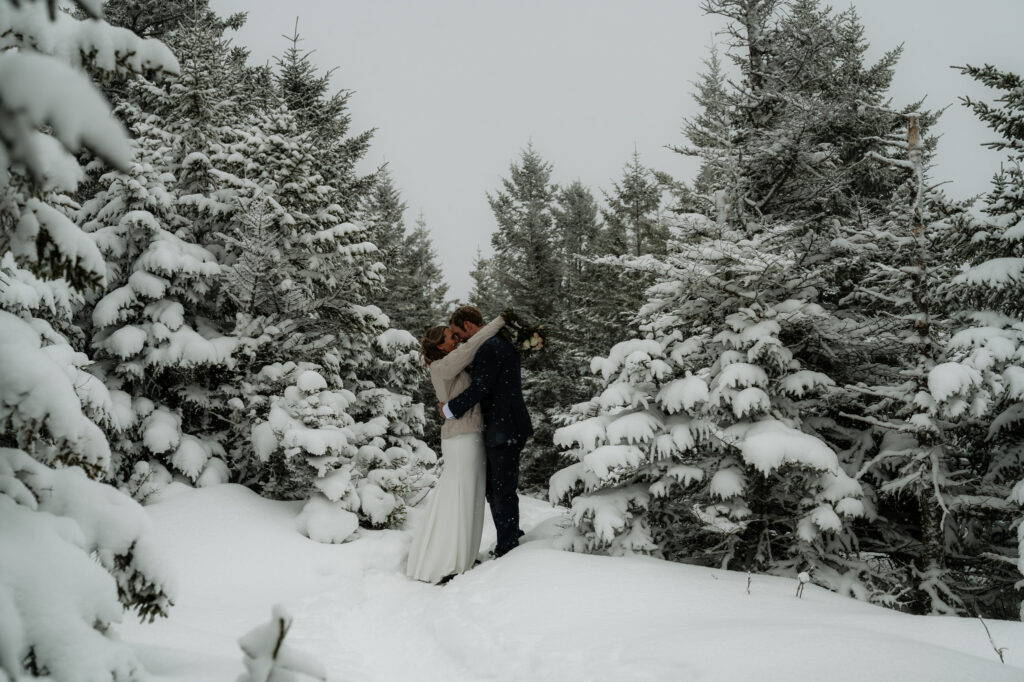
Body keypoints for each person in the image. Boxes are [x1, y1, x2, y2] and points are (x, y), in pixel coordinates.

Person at [405, 314, 505, 584]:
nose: (457, 338)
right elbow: (472, 346)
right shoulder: (442, 366)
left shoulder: (453, 366)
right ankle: (445, 560)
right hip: (461, 439)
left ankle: (462, 556)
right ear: (440, 346)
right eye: (451, 337)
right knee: (458, 495)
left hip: (469, 435)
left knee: (468, 496)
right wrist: (498, 322)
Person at [440, 305, 533, 558]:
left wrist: (449, 409)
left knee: (501, 488)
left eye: (459, 334)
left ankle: (508, 546)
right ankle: (509, 535)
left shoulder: (490, 347)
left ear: (468, 326)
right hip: (505, 425)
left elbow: (480, 388)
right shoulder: (497, 342)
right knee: (496, 487)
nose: (460, 341)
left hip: (504, 427)